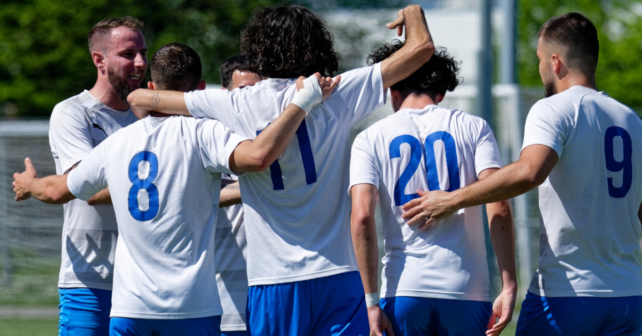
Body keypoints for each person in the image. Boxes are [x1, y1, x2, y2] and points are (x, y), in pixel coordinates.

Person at [126, 4, 435, 335]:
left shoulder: (233, 102)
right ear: (316, 45)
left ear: (258, 48)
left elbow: (141, 99)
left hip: (273, 280)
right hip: (337, 275)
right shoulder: (336, 92)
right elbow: (421, 49)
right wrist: (413, 11)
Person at [13, 42, 338, 335]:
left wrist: (29, 185)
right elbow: (257, 156)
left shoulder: (118, 144)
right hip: (191, 307)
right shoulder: (204, 133)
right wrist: (301, 102)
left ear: (153, 86)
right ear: (197, 89)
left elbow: (57, 191)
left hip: (130, 309)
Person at [401, 12, 642, 336]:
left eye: (540, 59)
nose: (541, 67)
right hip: (625, 300)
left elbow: (530, 172)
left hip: (566, 295)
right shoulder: (637, 125)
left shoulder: (553, 108)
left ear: (555, 62)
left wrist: (451, 200)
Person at [349, 41, 517, 336]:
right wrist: (509, 283)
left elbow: (362, 216)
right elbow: (499, 203)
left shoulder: (369, 137)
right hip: (466, 290)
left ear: (393, 92)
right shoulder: (474, 127)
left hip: (403, 289)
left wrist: (371, 301)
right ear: (440, 92)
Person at [48, 16, 147, 335]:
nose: (141, 62)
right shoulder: (72, 112)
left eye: (143, 52)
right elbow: (86, 188)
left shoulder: (150, 120)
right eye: (129, 54)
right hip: (89, 281)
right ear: (98, 59)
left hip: (145, 282)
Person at [215, 54, 263, 336]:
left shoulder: (280, 138)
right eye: (242, 91)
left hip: (274, 293)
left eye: (256, 91)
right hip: (225, 298)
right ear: (224, 95)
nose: (250, 99)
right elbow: (205, 194)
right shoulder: (211, 138)